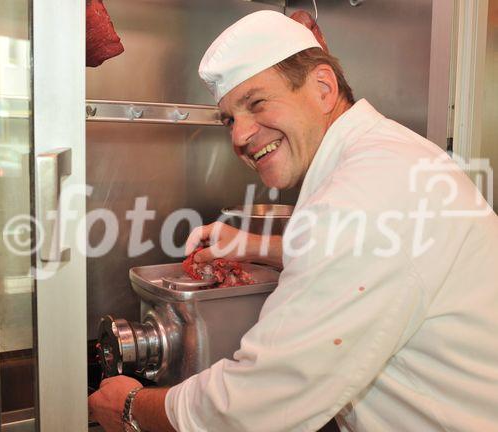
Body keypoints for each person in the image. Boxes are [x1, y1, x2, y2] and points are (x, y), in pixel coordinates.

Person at [89, 10, 498, 432]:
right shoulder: (384, 155)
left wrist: (131, 406)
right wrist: (253, 246)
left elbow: (257, 406)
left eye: (257, 103)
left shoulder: (363, 192)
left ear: (322, 88)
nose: (239, 136)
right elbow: (365, 254)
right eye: (229, 119)